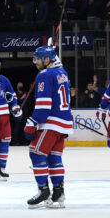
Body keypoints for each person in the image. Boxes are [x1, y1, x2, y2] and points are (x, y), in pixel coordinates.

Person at [25, 45, 72, 208]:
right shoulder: (62, 73)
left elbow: (44, 105)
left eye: (38, 58)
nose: (36, 61)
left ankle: (43, 190)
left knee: (36, 153)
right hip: (64, 124)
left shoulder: (44, 75)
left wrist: (32, 122)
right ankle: (59, 193)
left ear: (46, 60)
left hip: (51, 123)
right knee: (53, 158)